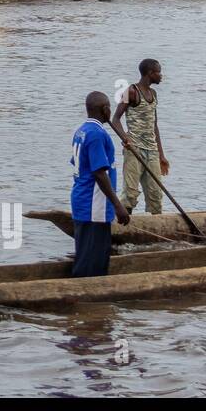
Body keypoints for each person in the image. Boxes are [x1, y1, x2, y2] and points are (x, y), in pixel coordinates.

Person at [70, 91, 130, 277]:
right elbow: (99, 173)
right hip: (94, 205)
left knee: (86, 254)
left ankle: (83, 286)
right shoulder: (97, 134)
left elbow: (80, 164)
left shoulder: (82, 131)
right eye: (109, 108)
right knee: (94, 261)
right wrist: (118, 205)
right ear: (105, 110)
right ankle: (86, 291)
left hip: (81, 200)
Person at [110, 58, 169, 216]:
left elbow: (154, 125)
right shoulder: (130, 91)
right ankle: (124, 223)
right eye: (158, 72)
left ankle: (156, 224)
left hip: (152, 151)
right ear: (150, 73)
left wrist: (161, 155)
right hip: (134, 149)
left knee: (155, 195)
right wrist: (125, 138)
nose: (161, 76)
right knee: (130, 193)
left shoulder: (154, 94)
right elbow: (115, 119)